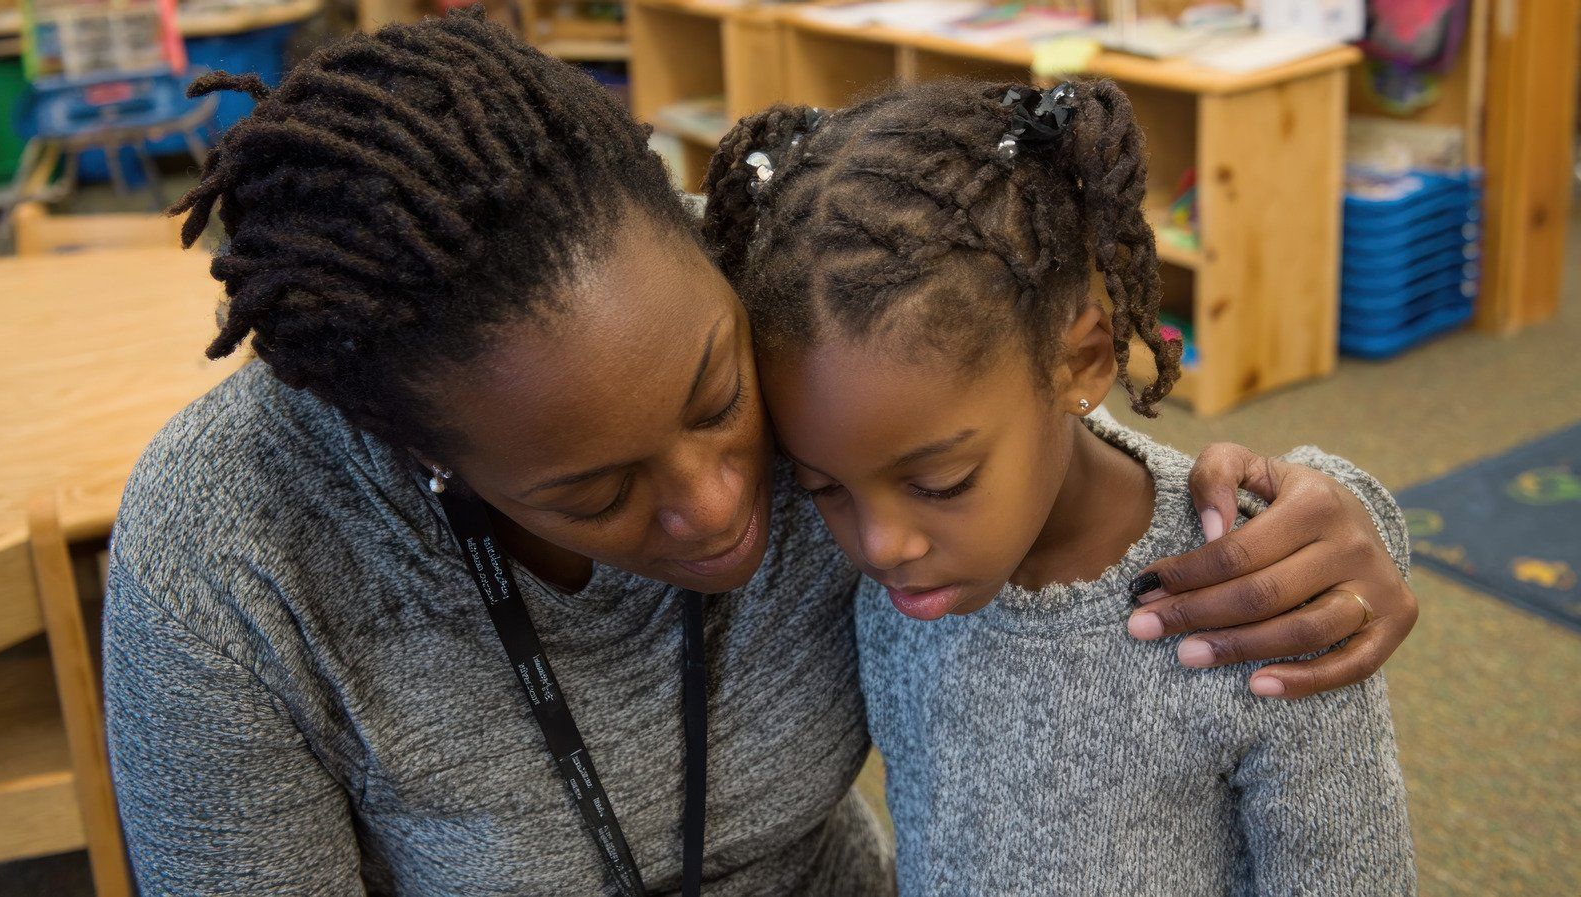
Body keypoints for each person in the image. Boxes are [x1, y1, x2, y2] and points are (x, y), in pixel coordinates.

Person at [104, 11, 1416, 895]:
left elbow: (1010, 407)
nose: (729, 501)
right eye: (599, 491)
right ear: (420, 456)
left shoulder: (782, 291)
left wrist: (1328, 514)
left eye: (724, 399)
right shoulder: (236, 552)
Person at [701, 79, 1416, 894]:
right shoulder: (903, 589)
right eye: (822, 486)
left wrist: (1369, 506)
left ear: (1083, 362)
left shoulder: (1257, 593)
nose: (879, 544)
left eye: (941, 482)